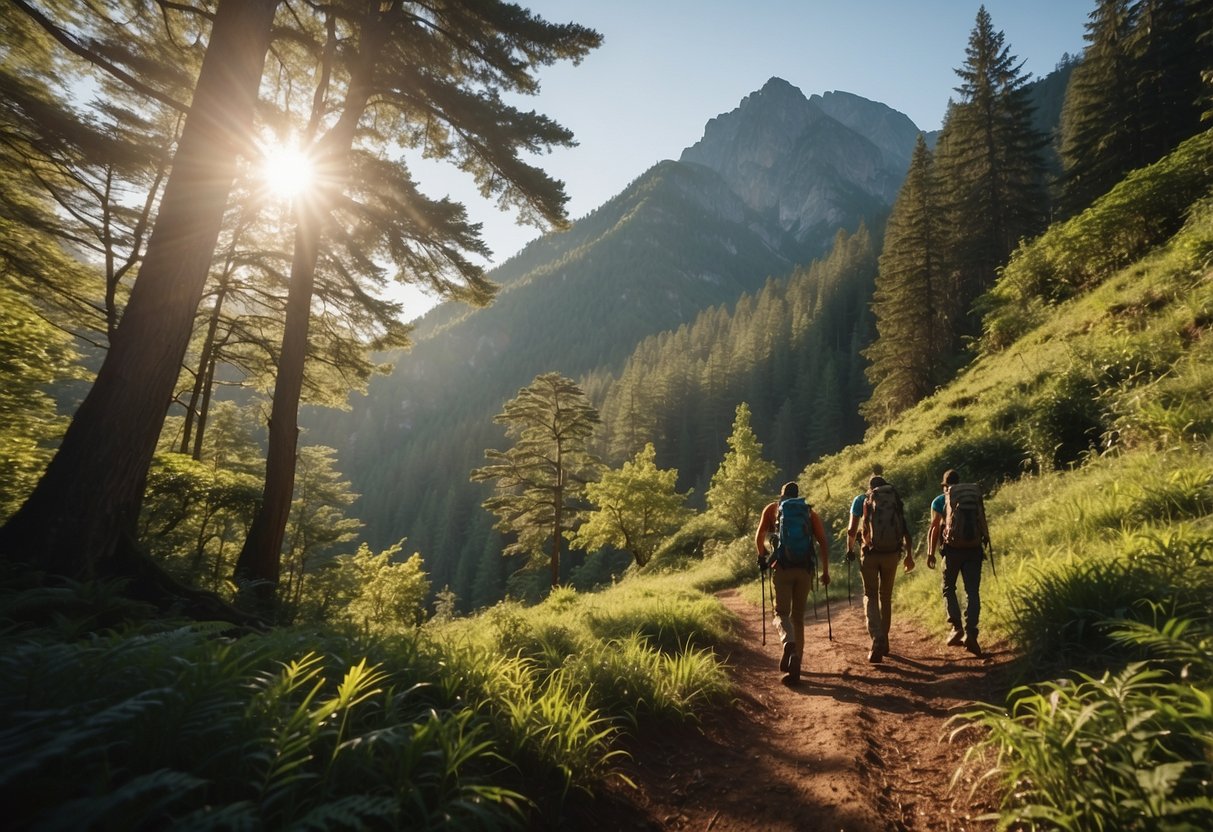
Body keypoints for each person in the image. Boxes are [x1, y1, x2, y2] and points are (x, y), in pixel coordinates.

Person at [756, 481, 830, 685]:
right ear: (798, 495)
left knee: (781, 613)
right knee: (798, 617)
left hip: (782, 569)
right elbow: (823, 541)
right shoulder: (808, 512)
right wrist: (825, 571)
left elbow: (760, 536)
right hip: (804, 570)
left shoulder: (773, 509)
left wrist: (762, 557)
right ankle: (796, 658)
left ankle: (788, 643)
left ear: (781, 494)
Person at [846, 468, 913, 663]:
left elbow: (851, 530)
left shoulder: (861, 500)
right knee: (886, 596)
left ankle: (877, 638)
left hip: (870, 553)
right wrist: (909, 555)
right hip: (892, 553)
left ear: (870, 488)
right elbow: (905, 530)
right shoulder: (894, 499)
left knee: (870, 595)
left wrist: (849, 550)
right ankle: (884, 639)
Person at [926, 469, 989, 656]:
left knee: (948, 588)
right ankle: (971, 632)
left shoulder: (940, 500)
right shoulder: (973, 496)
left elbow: (934, 527)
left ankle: (956, 627)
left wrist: (930, 553)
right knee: (972, 592)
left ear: (944, 485)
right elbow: (982, 520)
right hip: (974, 549)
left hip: (952, 551)